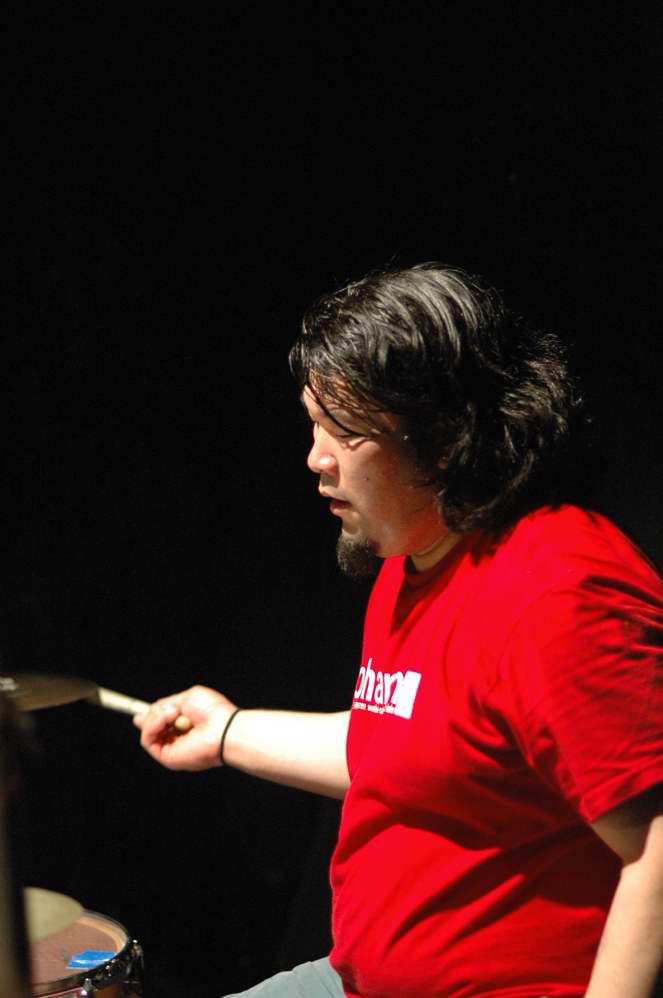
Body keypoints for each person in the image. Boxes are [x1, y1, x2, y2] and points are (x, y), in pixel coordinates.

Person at [135, 264, 663, 998]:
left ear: (446, 439)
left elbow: (657, 843)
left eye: (345, 432)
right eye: (313, 422)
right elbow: (407, 747)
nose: (316, 458)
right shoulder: (412, 550)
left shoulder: (558, 592)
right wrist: (228, 732)